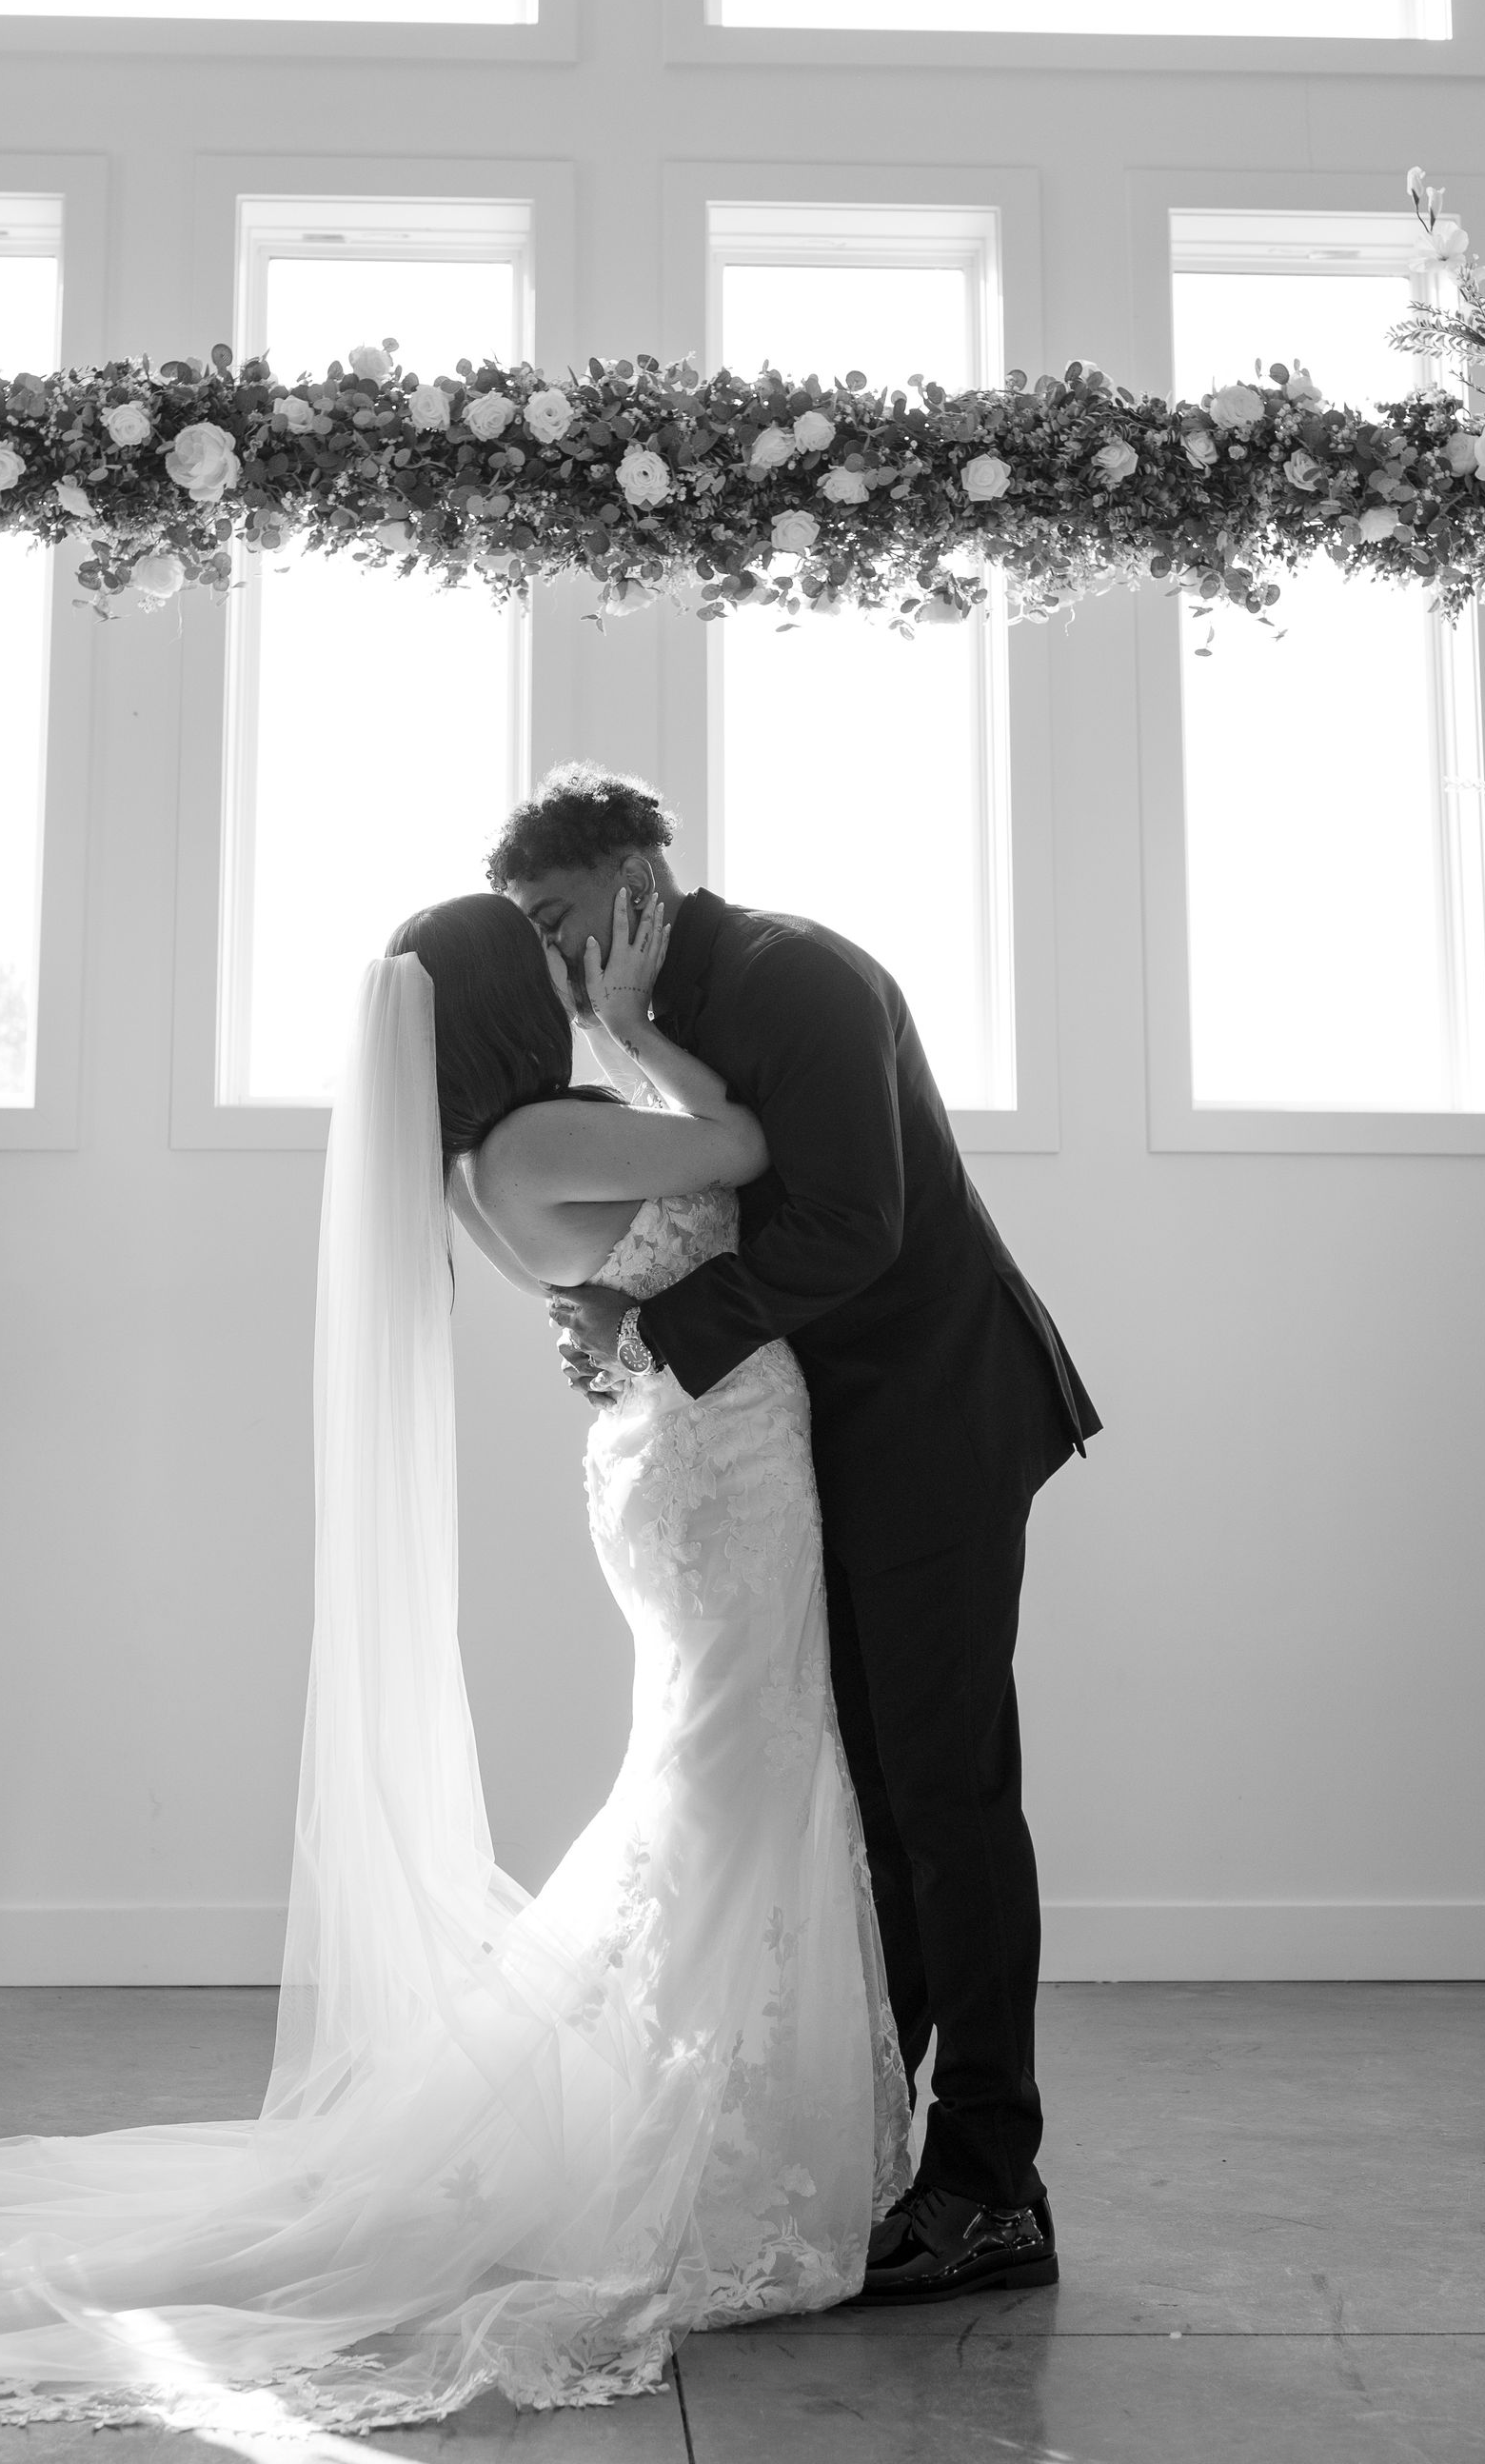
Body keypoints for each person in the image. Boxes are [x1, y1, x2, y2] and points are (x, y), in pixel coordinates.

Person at [0, 895, 908, 2435]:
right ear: (504, 1006)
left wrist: (616, 1049)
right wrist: (636, 1032)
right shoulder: (541, 1147)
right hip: (714, 1475)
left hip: (694, 1459)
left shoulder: (516, 1151)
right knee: (728, 1787)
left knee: (718, 1785)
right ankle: (704, 2141)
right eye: (557, 972)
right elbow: (748, 1149)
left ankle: (716, 2114)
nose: (581, 984)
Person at [491, 763, 1100, 2301]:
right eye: (535, 936)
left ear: (642, 879)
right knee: (873, 1798)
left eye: (563, 921)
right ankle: (866, 2154)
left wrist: (650, 1313)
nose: (556, 963)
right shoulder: (661, 1027)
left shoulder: (796, 978)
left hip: (940, 1423)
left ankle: (993, 2187)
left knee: (948, 1800)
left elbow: (855, 1225)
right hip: (834, 1439)